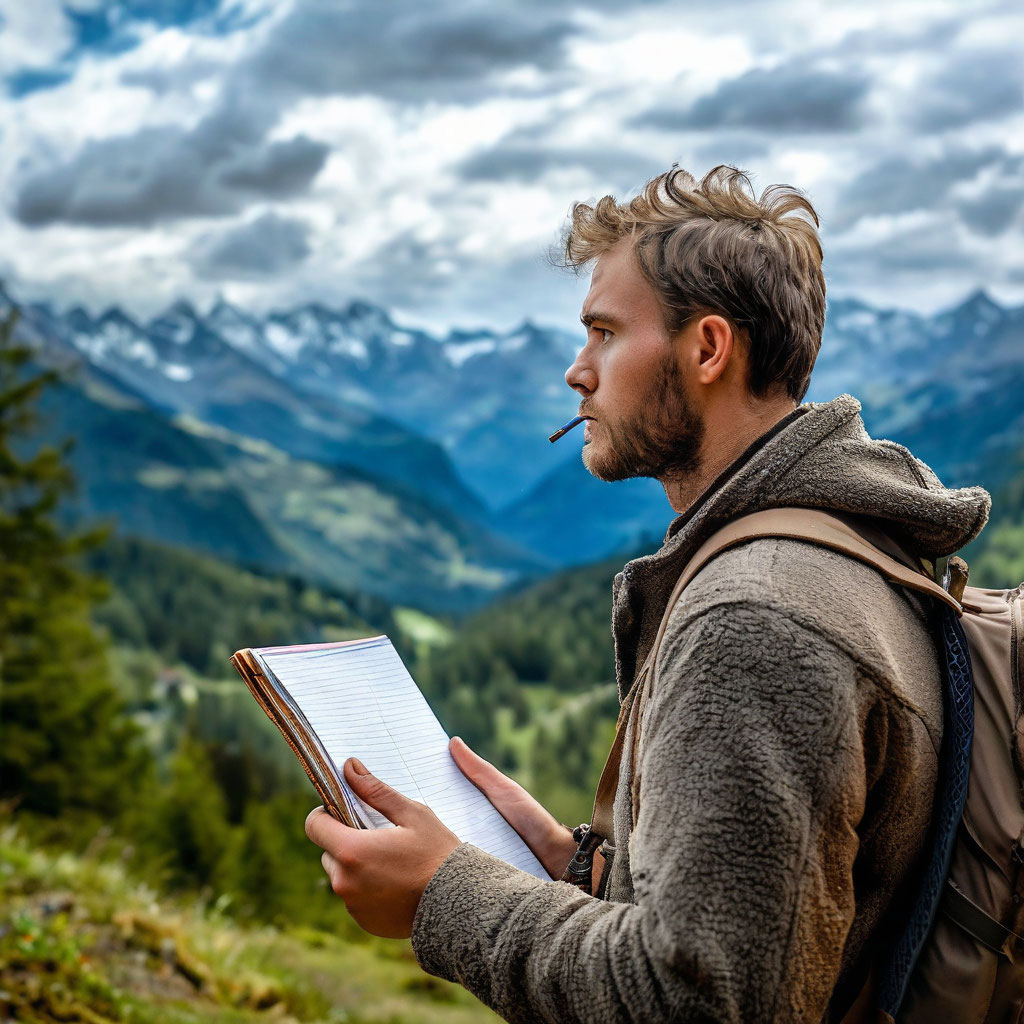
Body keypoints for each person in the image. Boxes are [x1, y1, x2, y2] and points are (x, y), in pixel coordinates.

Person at [304, 166, 991, 1022]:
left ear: (707, 349)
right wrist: (575, 868)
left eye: (602, 332)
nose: (575, 372)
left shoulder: (757, 619)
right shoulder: (855, 543)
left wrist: (443, 896)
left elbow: (695, 1001)